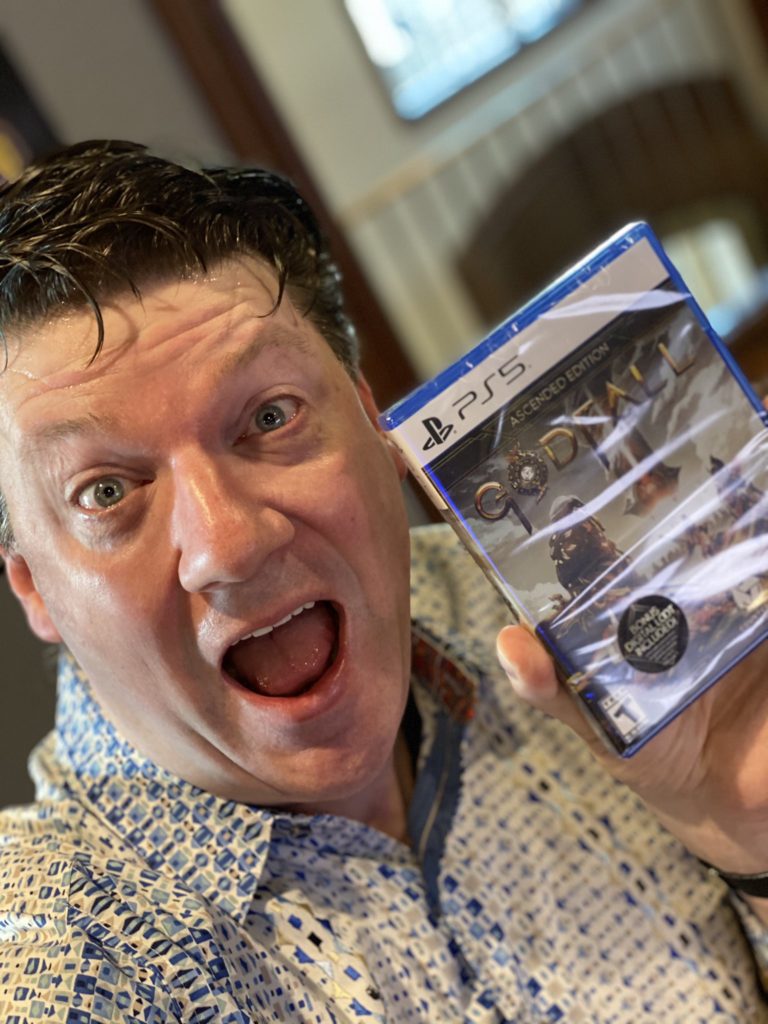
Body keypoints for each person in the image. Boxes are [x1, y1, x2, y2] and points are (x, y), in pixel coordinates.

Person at [0, 140, 766, 1023]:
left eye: (270, 417)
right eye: (104, 493)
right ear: (34, 588)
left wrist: (751, 832)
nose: (230, 545)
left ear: (374, 423)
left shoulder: (544, 616)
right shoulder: (63, 975)